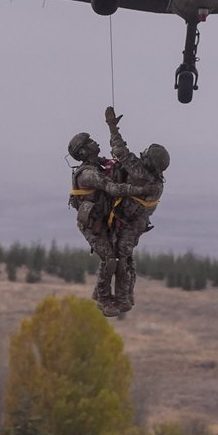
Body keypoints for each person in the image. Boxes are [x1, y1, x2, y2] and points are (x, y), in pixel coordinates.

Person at [67, 131, 150, 316]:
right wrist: (141, 189)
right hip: (92, 226)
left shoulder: (97, 164)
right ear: (82, 152)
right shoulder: (88, 174)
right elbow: (112, 188)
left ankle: (117, 295)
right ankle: (104, 299)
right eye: (89, 142)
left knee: (123, 257)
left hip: (103, 221)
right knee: (110, 259)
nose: (94, 142)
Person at [104, 106, 168, 312]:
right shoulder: (157, 181)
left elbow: (119, 151)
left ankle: (122, 299)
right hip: (138, 224)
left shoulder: (141, 174)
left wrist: (112, 126)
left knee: (120, 258)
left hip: (128, 223)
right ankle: (128, 295)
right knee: (127, 257)